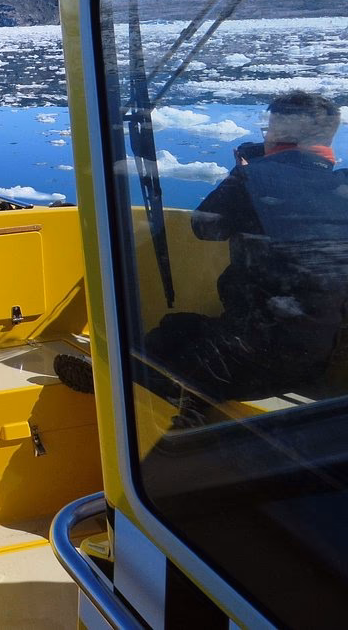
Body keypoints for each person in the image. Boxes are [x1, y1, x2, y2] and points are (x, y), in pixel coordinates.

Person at [144, 90, 348, 404]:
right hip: (329, 361)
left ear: (279, 135)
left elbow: (205, 227)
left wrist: (244, 172)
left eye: (268, 131)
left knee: (165, 340)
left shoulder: (251, 180)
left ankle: (172, 402)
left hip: (258, 359)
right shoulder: (343, 185)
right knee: (184, 327)